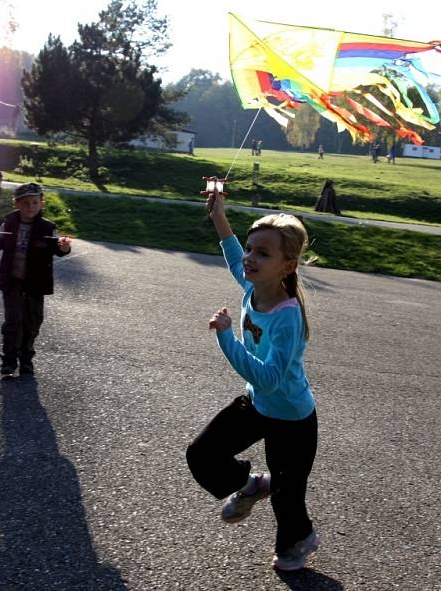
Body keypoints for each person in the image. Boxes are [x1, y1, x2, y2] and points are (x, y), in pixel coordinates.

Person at [186, 187, 319, 572]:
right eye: (250, 249)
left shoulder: (287, 316)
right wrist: (218, 215)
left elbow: (271, 379)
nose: (250, 258)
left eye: (263, 253)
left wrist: (226, 336)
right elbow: (232, 257)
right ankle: (249, 484)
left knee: (287, 496)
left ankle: (300, 539)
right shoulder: (253, 288)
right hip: (257, 405)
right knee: (202, 455)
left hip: (291, 418)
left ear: (287, 265)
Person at [0, 183, 72, 377]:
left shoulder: (48, 227)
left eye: (34, 202)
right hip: (12, 281)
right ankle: (9, 361)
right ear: (16, 204)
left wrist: (64, 248)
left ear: (41, 204)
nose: (29, 207)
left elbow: (57, 249)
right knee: (13, 322)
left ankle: (26, 360)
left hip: (36, 284)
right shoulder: (9, 223)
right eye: (24, 203)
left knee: (32, 323)